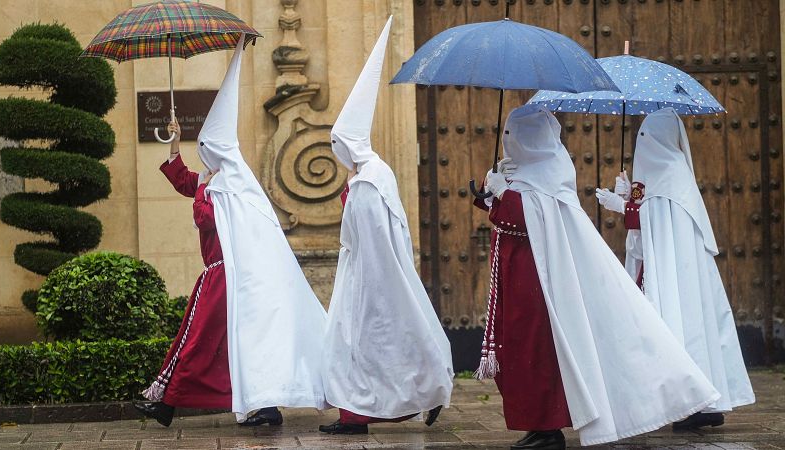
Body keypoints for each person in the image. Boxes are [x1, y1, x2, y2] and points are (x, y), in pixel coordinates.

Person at [476, 104, 720, 449]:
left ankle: (547, 428)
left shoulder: (548, 170)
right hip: (516, 277)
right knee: (516, 348)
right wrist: (491, 195)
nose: (507, 141)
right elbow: (509, 216)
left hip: (539, 284)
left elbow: (530, 219)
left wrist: (504, 193)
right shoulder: (517, 171)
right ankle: (536, 424)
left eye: (512, 134)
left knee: (537, 350)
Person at [135, 36, 329, 427]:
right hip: (222, 274)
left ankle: (167, 402)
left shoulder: (229, 185)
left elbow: (205, 216)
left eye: (204, 148)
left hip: (227, 274)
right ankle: (257, 404)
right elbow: (188, 182)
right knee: (218, 342)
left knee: (199, 339)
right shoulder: (219, 181)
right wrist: (175, 143)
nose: (202, 155)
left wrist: (204, 188)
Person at [319, 16, 454, 435]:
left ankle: (372, 409)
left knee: (363, 342)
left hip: (368, 276)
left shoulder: (365, 182)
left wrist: (368, 281)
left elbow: (365, 237)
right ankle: (358, 412)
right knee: (380, 341)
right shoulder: (375, 172)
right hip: (370, 272)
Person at [596, 107, 755, 431]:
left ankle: (697, 403)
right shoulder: (665, 176)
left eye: (645, 139)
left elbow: (657, 219)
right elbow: (652, 217)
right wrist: (630, 197)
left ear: (657, 140)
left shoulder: (671, 177)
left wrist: (622, 207)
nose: (642, 146)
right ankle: (690, 403)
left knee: (685, 329)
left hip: (676, 278)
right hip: (666, 272)